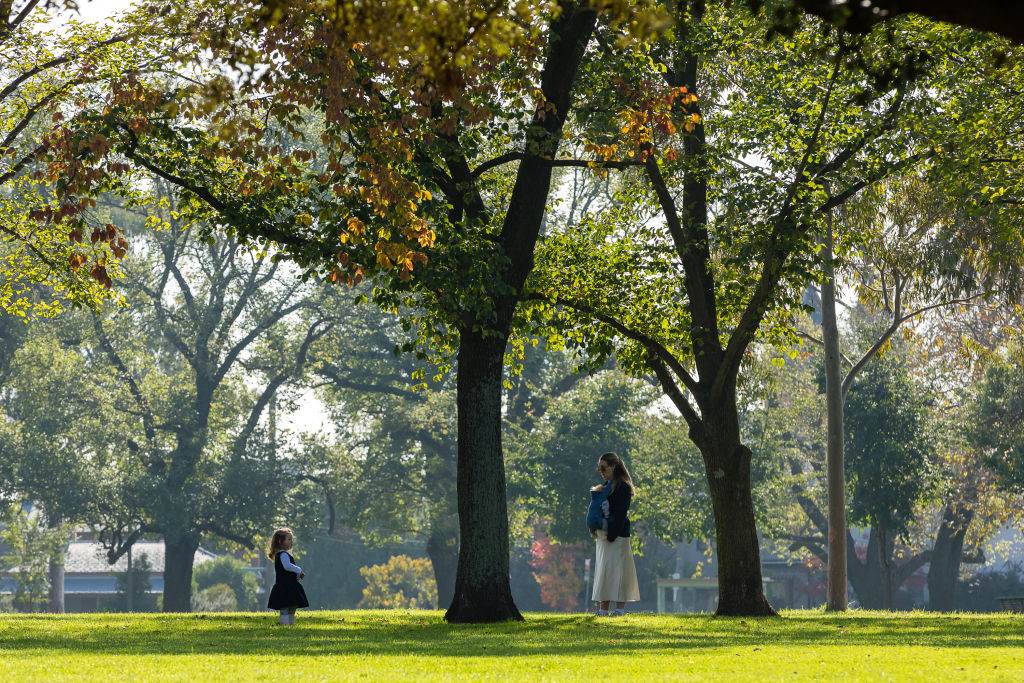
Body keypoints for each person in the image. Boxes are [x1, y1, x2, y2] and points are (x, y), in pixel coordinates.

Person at [590, 452, 639, 616]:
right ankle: (603, 609)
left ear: (613, 466)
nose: (602, 471)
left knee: (620, 572)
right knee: (604, 570)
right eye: (600, 468)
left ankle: (619, 609)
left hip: (617, 536)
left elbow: (620, 513)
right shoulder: (606, 486)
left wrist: (612, 534)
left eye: (604, 468)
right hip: (604, 535)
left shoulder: (622, 487)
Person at [266, 527, 309, 625]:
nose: (291, 542)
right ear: (280, 541)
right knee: (285, 607)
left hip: (290, 585)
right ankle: (285, 624)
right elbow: (287, 566)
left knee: (292, 606)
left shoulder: (284, 554)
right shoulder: (283, 554)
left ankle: (290, 624)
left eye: (291, 540)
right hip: (286, 586)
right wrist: (299, 570)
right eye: (289, 539)